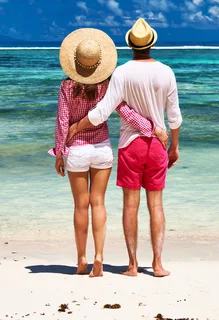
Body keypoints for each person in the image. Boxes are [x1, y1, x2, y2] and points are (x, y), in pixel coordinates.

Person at [68, 18, 182, 277]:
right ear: (152, 43)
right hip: (157, 146)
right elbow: (174, 116)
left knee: (130, 205)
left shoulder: (121, 72)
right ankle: (157, 264)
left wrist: (77, 126)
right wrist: (173, 146)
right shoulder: (166, 72)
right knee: (157, 205)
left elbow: (102, 112)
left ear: (130, 45)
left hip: (130, 146)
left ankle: (132, 265)